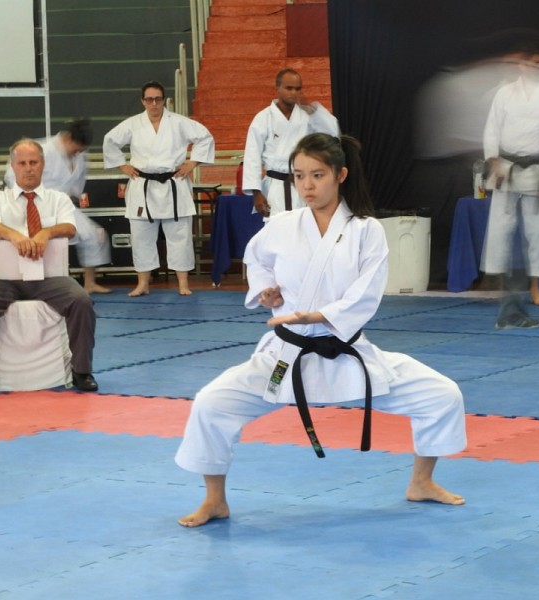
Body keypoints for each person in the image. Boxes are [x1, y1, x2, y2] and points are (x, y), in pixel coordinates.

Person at [175, 133, 467, 528]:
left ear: (340, 175)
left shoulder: (366, 230)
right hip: (286, 357)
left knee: (442, 395)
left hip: (346, 352)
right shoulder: (282, 225)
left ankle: (422, 482)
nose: (307, 186)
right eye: (299, 176)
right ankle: (215, 501)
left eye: (317, 175)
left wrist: (317, 316)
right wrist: (266, 290)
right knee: (210, 403)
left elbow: (367, 293)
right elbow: (256, 260)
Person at [0, 139, 98, 397]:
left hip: (50, 277)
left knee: (81, 301)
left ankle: (82, 371)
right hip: (3, 279)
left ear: (43, 164)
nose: (28, 168)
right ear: (13, 166)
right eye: (22, 163)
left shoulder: (58, 199)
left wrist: (45, 233)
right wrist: (15, 236)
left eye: (33, 162)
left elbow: (70, 228)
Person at [481, 47, 539, 327]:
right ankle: (502, 291)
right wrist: (493, 161)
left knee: (537, 232)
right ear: (522, 66)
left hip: (536, 169)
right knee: (500, 229)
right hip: (507, 168)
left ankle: (535, 288)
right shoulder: (504, 93)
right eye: (534, 63)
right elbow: (492, 128)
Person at [103, 81, 215, 296]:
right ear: (142, 101)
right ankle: (143, 284)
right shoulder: (133, 124)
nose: (154, 103)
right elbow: (110, 141)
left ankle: (183, 283)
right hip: (143, 184)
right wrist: (122, 165)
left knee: (180, 235)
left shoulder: (179, 122)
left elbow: (205, 137)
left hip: (174, 182)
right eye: (149, 99)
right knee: (141, 236)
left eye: (157, 99)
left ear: (164, 100)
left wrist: (193, 163)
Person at [4, 118, 112, 294]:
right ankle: (33, 285)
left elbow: (77, 185)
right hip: (34, 203)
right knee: (41, 241)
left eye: (81, 150)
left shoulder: (80, 155)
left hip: (63, 204)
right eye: (76, 149)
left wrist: (71, 198)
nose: (78, 153)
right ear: (68, 138)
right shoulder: (42, 149)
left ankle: (90, 283)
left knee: (94, 235)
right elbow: (11, 176)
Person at [243, 69, 340, 218]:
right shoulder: (263, 118)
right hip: (275, 185)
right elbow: (252, 157)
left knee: (306, 225)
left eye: (297, 89)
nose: (294, 93)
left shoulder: (307, 116)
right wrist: (257, 193)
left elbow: (333, 132)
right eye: (289, 88)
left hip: (303, 183)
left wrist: (313, 110)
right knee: (277, 227)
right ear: (278, 88)